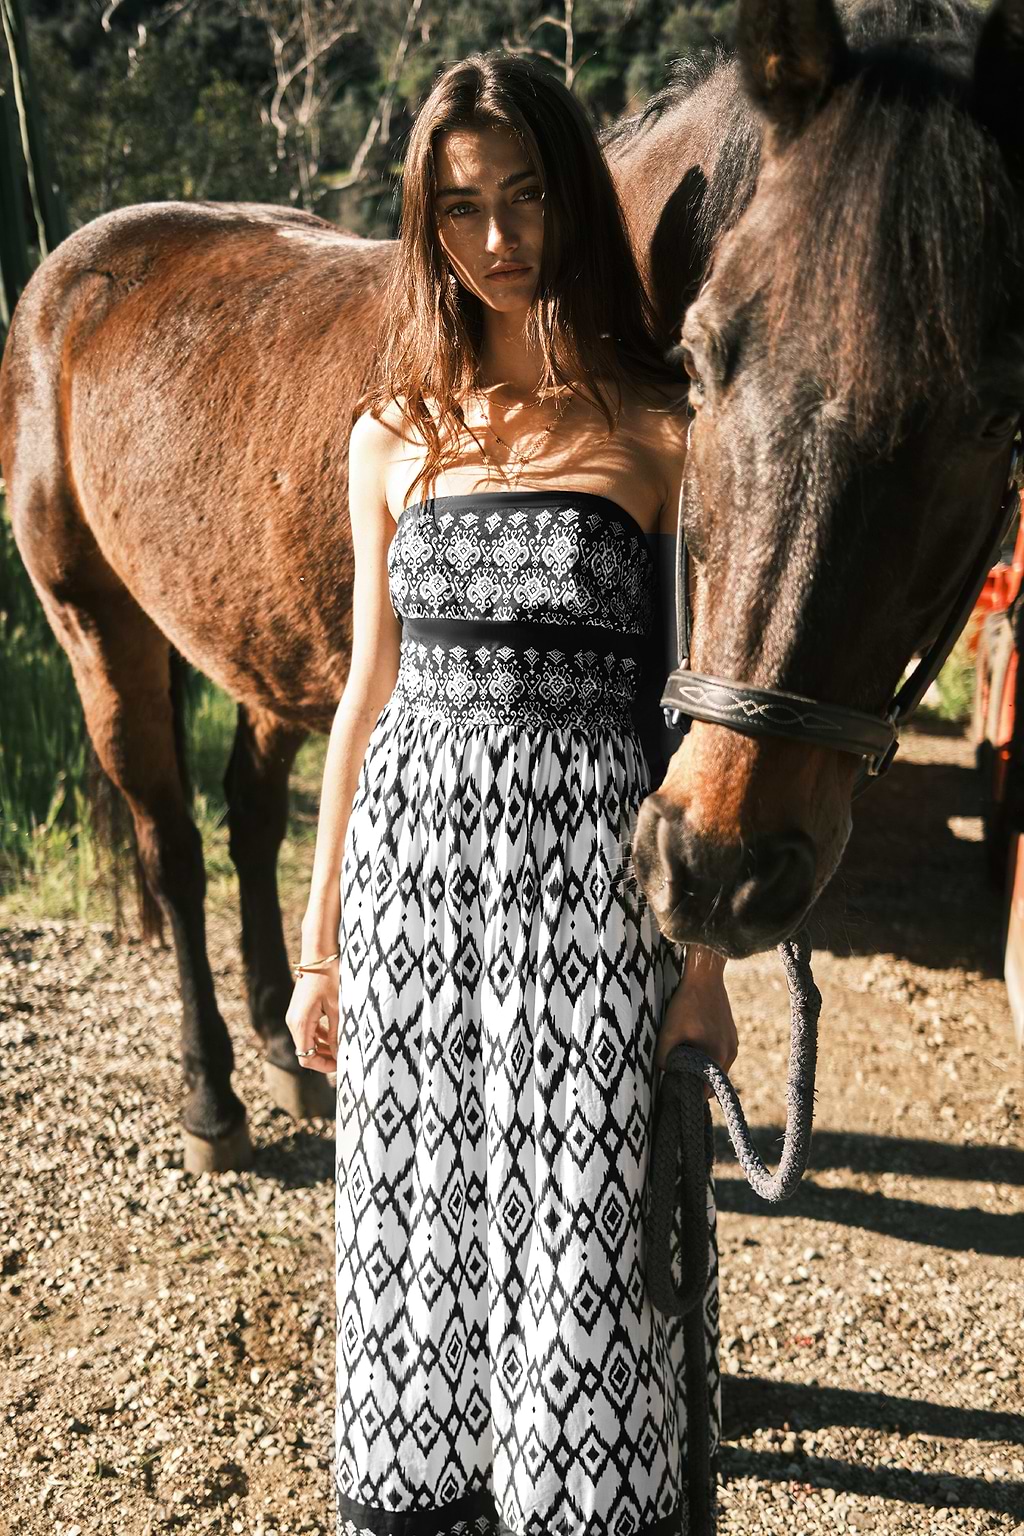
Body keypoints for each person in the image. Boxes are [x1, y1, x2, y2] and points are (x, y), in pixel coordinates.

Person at [286, 49, 737, 1536]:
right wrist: (320, 940)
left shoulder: (658, 427)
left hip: (587, 892)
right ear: (427, 224)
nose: (496, 239)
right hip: (413, 885)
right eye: (462, 209)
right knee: (417, 1228)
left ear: (571, 200)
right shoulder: (392, 435)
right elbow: (365, 699)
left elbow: (691, 721)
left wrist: (708, 965)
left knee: (586, 1240)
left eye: (525, 197)